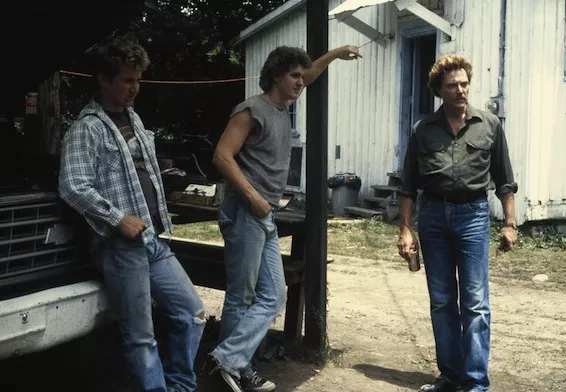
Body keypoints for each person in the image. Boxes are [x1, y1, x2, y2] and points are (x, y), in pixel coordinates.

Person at [208, 45, 361, 392]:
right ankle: (235, 368)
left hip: (264, 214)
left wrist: (336, 54)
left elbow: (310, 73)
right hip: (246, 210)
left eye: (302, 77)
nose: (300, 82)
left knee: (274, 294)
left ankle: (229, 358)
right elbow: (222, 155)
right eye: (294, 76)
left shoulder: (283, 107)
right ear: (276, 74)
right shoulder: (252, 109)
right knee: (241, 295)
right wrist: (253, 197)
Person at [59, 36, 205, 392]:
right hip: (121, 246)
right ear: (104, 79)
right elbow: (73, 185)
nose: (134, 88)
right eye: (127, 80)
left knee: (192, 313)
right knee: (141, 336)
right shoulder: (86, 128)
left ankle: (180, 386)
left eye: (138, 80)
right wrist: (118, 218)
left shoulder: (134, 119)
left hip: (152, 239)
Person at [396, 54, 517, 392]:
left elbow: (505, 180)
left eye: (464, 83)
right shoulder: (423, 130)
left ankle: (476, 383)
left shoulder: (489, 124)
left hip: (473, 217)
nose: (461, 90)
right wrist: (406, 229)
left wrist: (509, 223)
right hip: (432, 217)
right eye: (452, 86)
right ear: (439, 91)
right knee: (442, 300)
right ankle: (450, 377)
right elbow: (407, 186)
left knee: (476, 302)